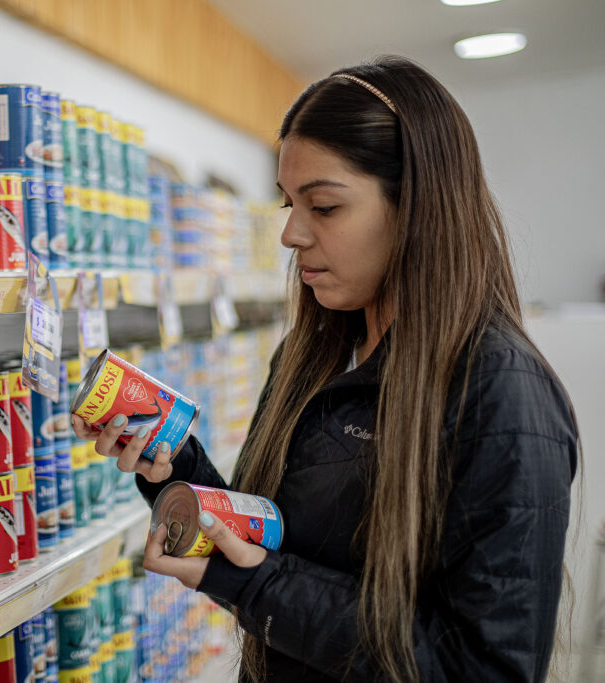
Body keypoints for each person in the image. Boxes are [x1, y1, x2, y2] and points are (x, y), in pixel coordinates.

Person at [71, 56, 579, 682]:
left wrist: (257, 585)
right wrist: (176, 472)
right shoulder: (309, 356)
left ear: (418, 207)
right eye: (288, 202)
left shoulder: (500, 392)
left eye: (325, 207)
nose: (289, 234)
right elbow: (280, 535)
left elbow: (484, 667)